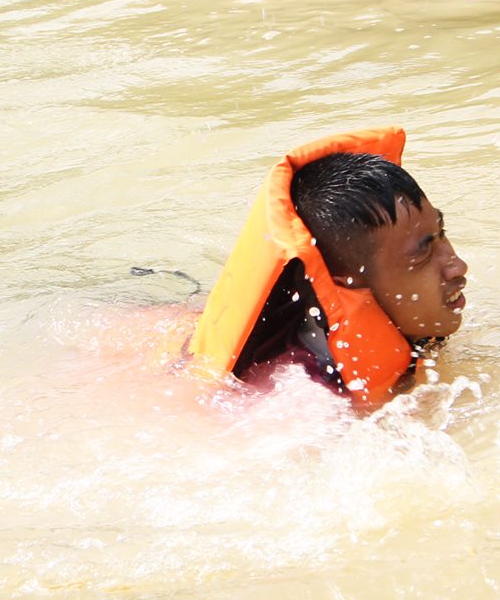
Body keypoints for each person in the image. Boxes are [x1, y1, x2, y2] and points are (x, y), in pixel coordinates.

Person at [187, 127, 468, 410]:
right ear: (345, 281)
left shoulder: (408, 322)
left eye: (441, 233)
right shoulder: (303, 398)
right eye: (422, 254)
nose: (458, 266)